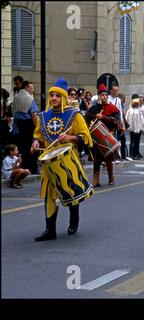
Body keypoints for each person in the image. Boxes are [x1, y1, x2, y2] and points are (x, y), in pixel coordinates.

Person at [30, 78, 93, 241]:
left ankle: (74, 220)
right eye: (51, 96)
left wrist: (69, 138)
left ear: (64, 98)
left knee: (71, 189)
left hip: (67, 158)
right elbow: (38, 133)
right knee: (49, 194)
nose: (53, 99)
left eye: (57, 96)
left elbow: (85, 137)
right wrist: (36, 141)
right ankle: (50, 229)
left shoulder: (74, 115)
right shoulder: (43, 116)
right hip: (48, 161)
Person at [85, 84, 121, 187]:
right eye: (102, 95)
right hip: (96, 138)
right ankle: (96, 179)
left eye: (106, 95)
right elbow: (87, 119)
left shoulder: (112, 108)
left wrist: (103, 117)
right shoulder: (93, 108)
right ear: (99, 96)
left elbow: (117, 121)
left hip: (108, 135)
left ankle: (111, 177)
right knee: (96, 159)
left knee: (108, 159)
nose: (104, 97)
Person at [11, 80, 39, 174]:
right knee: (32, 146)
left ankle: (24, 166)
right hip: (28, 125)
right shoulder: (30, 99)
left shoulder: (16, 97)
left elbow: (13, 112)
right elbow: (33, 114)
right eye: (31, 88)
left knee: (22, 148)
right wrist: (37, 127)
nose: (33, 90)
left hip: (18, 125)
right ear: (26, 87)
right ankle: (34, 168)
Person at [126, 94, 144, 159]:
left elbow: (142, 118)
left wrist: (143, 126)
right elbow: (128, 119)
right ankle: (132, 154)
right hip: (133, 129)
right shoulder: (131, 110)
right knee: (133, 141)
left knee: (137, 141)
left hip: (139, 128)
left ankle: (136, 153)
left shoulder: (139, 109)